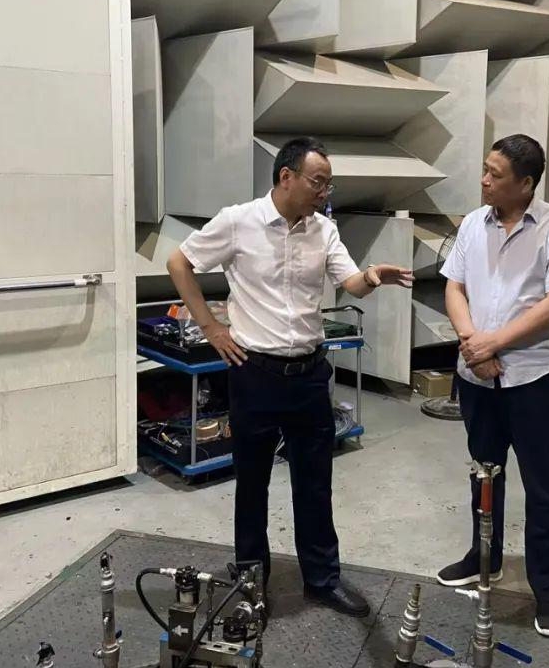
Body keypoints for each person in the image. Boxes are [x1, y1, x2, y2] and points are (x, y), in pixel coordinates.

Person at [167, 136, 413, 619]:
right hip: (254, 373)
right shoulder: (238, 221)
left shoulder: (324, 230)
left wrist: (372, 277)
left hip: (309, 374)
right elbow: (179, 262)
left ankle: (322, 579)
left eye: (328, 184)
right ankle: (250, 581)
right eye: (318, 182)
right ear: (286, 176)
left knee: (315, 482)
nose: (325, 192)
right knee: (252, 483)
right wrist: (211, 328)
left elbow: (349, 282)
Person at [436, 134, 549, 639]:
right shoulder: (472, 225)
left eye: (495, 174)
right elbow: (454, 286)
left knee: (544, 484)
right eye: (484, 169)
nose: (483, 180)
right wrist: (473, 345)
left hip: (534, 378)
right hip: (477, 375)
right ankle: (485, 557)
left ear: (525, 184)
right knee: (484, 473)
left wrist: (493, 343)